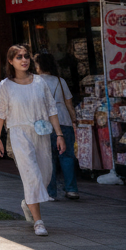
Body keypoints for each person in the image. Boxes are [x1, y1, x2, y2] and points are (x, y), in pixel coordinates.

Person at [0, 45, 66, 236]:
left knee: (45, 175)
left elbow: (51, 109)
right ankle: (38, 222)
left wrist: (59, 135)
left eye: (26, 56)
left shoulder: (40, 82)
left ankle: (28, 202)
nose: (24, 60)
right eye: (19, 57)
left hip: (41, 133)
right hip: (19, 133)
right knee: (31, 175)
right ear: (11, 61)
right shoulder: (5, 85)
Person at [35, 51, 79, 200]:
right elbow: (69, 103)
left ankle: (50, 192)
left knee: (48, 158)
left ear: (39, 65)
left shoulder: (34, 82)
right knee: (67, 156)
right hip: (63, 121)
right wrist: (74, 119)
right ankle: (71, 189)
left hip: (43, 124)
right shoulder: (60, 81)